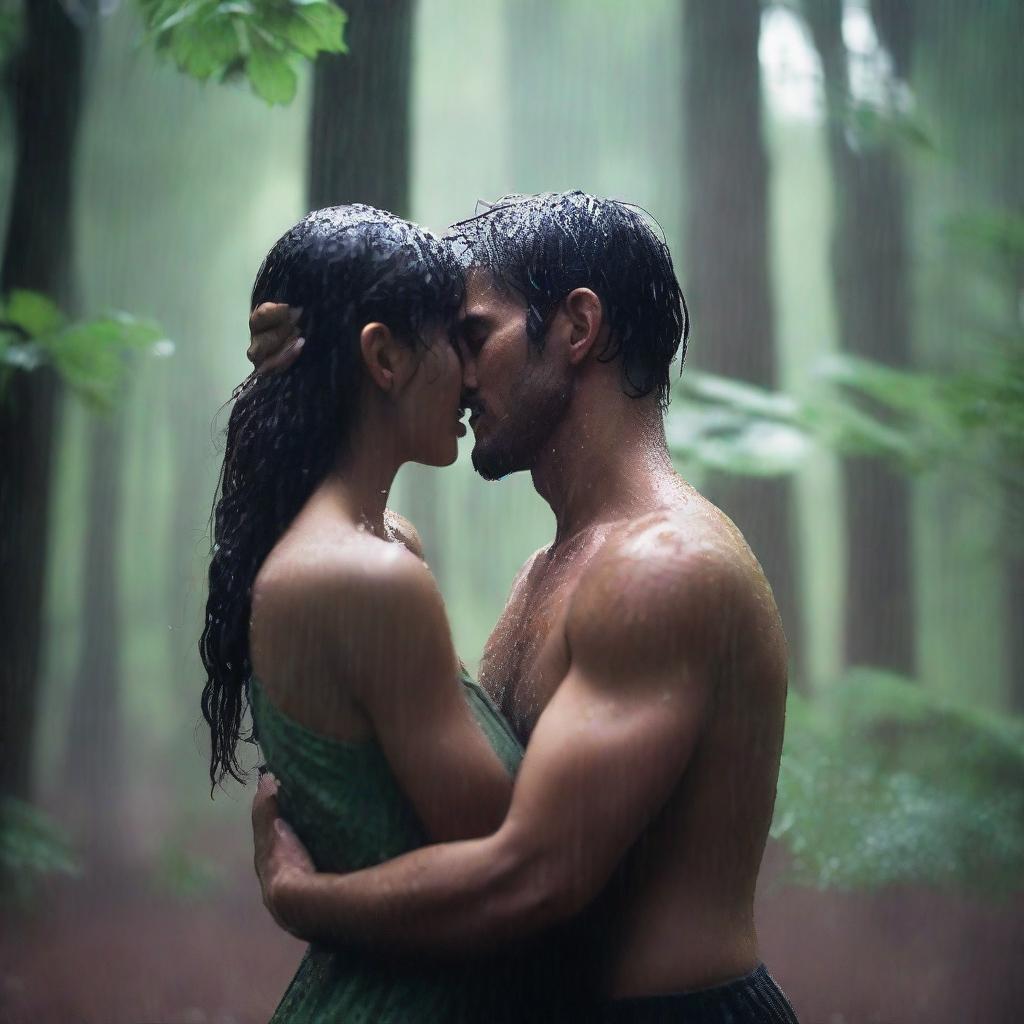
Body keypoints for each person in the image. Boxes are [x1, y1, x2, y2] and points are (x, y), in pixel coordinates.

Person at [248, 191, 801, 1023]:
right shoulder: (550, 572)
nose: (456, 373)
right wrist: (320, 368)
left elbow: (533, 876)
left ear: (577, 328)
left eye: (473, 336)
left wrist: (304, 899)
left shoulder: (663, 570)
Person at [201, 204, 576, 1022]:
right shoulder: (365, 577)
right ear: (383, 356)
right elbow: (505, 853)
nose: (473, 378)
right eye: (456, 342)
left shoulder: (366, 545)